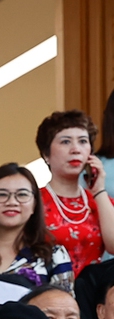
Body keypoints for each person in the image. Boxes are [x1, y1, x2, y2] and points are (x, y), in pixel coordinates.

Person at [0, 163, 72, 299]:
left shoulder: (54, 257)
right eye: (1, 194)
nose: (12, 202)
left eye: (22, 194)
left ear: (34, 205)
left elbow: (64, 308)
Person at [36, 109, 113, 270]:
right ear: (46, 154)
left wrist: (99, 191)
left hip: (94, 285)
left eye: (83, 141)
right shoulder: (33, 201)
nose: (76, 149)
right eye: (65, 142)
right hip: (46, 284)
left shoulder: (101, 202)